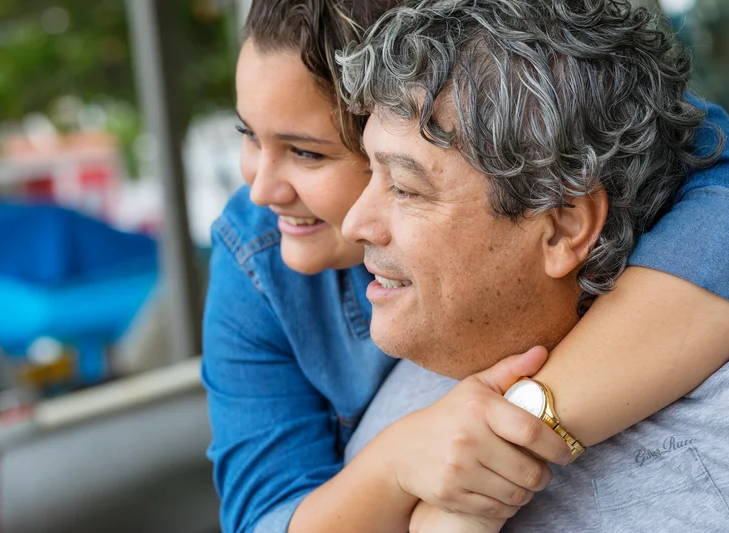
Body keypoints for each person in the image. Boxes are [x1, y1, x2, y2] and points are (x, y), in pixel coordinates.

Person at [202, 1, 729, 532]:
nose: (259, 188)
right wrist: (396, 469)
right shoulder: (259, 254)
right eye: (247, 133)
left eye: (309, 153)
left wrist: (523, 424)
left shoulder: (548, 101)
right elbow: (259, 511)